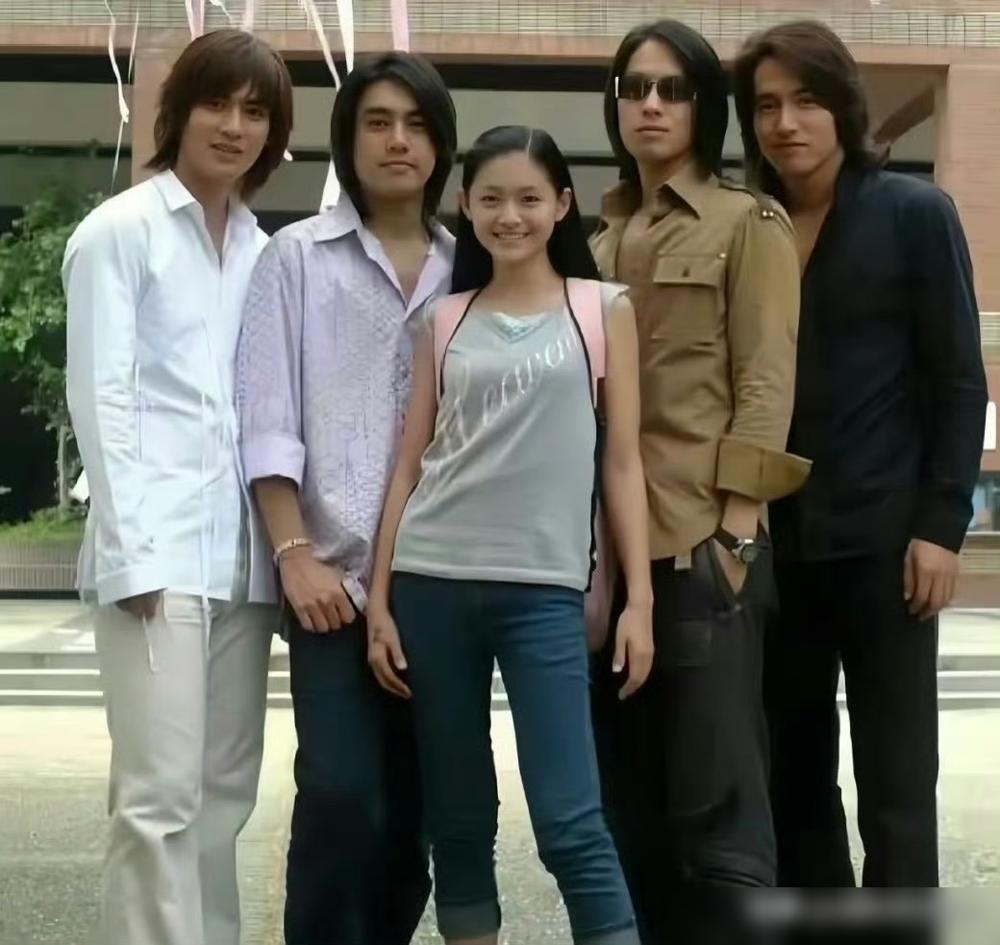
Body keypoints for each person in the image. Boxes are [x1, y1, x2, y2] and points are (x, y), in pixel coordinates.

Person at [366, 124, 653, 945]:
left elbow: (622, 462)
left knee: (572, 821)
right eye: (490, 198)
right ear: (465, 205)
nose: (510, 215)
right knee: (458, 819)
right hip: (431, 582)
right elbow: (410, 463)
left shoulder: (604, 309)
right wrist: (380, 600)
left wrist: (639, 600)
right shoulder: (444, 319)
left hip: (545, 593)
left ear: (562, 204)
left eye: (529, 198)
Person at [733, 20, 988, 887]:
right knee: (794, 781)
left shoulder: (914, 213)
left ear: (843, 106)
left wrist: (941, 526)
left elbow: (959, 380)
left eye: (806, 100)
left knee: (897, 788)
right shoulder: (750, 225)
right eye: (766, 105)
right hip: (775, 549)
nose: (785, 123)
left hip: (887, 548)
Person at [64, 29, 293, 945]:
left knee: (222, 795)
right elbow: (101, 398)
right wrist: (131, 552)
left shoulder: (262, 250)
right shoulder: (119, 233)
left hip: (242, 561)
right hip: (155, 555)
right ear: (178, 111)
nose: (234, 125)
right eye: (217, 103)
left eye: (255, 111)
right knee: (156, 798)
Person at [588, 17, 809, 940]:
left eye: (672, 89)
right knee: (625, 806)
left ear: (704, 108)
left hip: (701, 553)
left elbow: (765, 382)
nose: (650, 104)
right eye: (634, 87)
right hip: (603, 562)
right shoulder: (598, 239)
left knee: (718, 820)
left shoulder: (746, 223)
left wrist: (737, 535)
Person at [236, 52, 457, 944]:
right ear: (349, 138)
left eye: (416, 124)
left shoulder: (471, 266)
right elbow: (267, 416)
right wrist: (294, 554)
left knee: (413, 813)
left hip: (440, 587)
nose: (398, 141)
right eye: (378, 122)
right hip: (332, 585)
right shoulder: (295, 257)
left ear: (440, 144)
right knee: (339, 793)